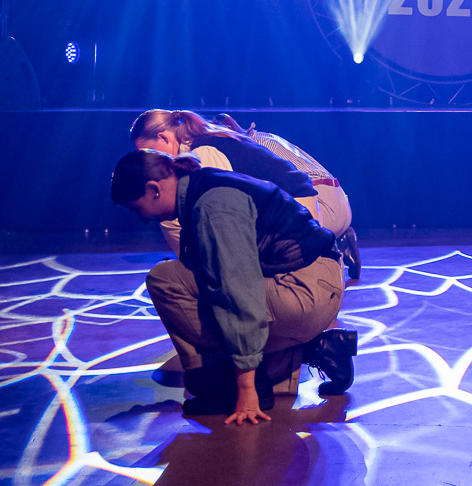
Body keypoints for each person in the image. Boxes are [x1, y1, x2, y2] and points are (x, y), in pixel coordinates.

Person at [111, 150, 357, 424]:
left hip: (305, 288)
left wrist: (247, 389)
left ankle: (238, 380)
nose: (143, 219)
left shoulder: (214, 206)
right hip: (310, 282)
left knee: (167, 281)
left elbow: (239, 294)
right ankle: (320, 349)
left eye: (137, 208)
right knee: (181, 286)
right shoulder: (201, 188)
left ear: (153, 189)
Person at [210, 113, 360, 279]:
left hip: (323, 202)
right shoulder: (264, 137)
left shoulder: (252, 148)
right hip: (339, 199)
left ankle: (331, 251)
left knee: (276, 236)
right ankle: (341, 235)